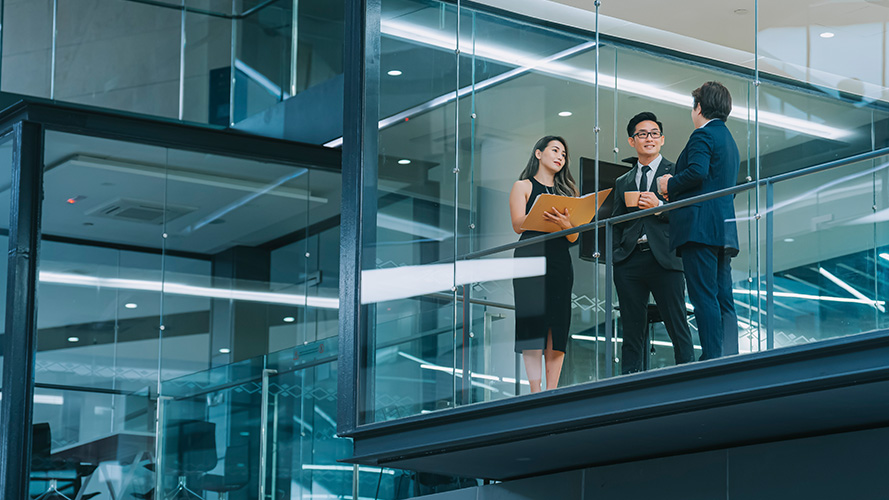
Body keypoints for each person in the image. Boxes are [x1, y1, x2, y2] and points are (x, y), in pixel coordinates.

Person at [657, 81, 740, 361]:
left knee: (703, 294)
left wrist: (670, 183)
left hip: (699, 228)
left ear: (700, 107)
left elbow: (697, 172)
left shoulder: (701, 136)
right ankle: (729, 355)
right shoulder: (729, 140)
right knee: (722, 296)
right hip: (723, 229)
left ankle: (713, 357)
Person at [611, 112, 695, 374]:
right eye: (642, 134)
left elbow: (688, 213)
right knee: (631, 329)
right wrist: (617, 253)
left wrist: (660, 207)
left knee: (677, 324)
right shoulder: (622, 181)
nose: (649, 138)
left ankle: (688, 380)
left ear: (662, 139)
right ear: (631, 141)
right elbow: (615, 221)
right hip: (630, 260)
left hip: (666, 258)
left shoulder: (677, 172)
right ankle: (628, 387)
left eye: (654, 134)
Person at [509, 136, 578, 393]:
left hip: (560, 259)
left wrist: (565, 225)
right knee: (532, 323)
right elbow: (518, 224)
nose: (560, 156)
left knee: (558, 325)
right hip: (530, 256)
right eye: (555, 150)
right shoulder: (523, 186)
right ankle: (535, 392)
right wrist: (543, 213)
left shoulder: (568, 194)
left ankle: (552, 391)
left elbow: (574, 237)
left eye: (563, 153)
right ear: (538, 154)